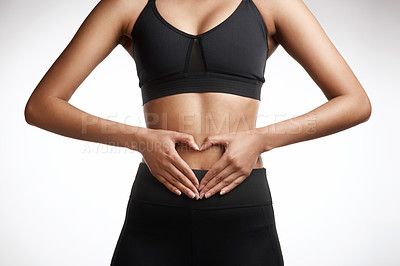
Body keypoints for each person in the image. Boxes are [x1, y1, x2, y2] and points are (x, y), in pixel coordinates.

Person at [24, 0, 372, 265]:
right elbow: (42, 105)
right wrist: (140, 140)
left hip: (241, 203)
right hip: (157, 204)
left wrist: (260, 139)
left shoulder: (271, 5)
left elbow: (355, 102)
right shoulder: (126, 5)